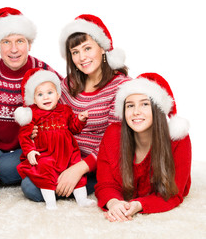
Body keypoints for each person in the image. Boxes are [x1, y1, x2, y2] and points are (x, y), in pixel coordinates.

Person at [21, 14, 131, 201]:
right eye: (75, 52)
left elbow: (116, 141)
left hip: (95, 162)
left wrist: (79, 168)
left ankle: (77, 184)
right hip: (60, 155)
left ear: (102, 49)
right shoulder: (69, 83)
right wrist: (35, 130)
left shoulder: (121, 86)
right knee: (13, 172)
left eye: (87, 48)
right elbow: (50, 113)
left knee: (31, 188)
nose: (82, 57)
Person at [0, 7, 61, 186]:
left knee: (0, 169)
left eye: (20, 41)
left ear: (29, 44)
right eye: (6, 42)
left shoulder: (42, 72)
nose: (13, 49)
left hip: (29, 148)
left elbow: (66, 104)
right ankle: (7, 172)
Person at [94, 73, 191, 222]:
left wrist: (139, 205)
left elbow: (174, 193)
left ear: (157, 109)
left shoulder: (178, 139)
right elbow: (105, 183)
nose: (136, 112)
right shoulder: (113, 134)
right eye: (130, 105)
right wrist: (114, 203)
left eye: (145, 104)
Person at [14, 68, 96, 209]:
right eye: (40, 94)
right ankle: (51, 203)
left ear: (58, 95)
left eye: (50, 93)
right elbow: (25, 134)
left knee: (75, 166)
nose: (46, 97)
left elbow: (74, 128)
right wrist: (30, 151)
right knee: (45, 169)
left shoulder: (65, 110)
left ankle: (81, 199)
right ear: (33, 100)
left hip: (68, 151)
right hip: (45, 152)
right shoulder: (32, 113)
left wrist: (80, 120)